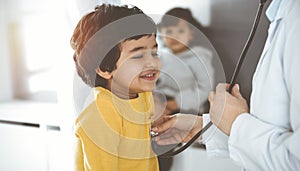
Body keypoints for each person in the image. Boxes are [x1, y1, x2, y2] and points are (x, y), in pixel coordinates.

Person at [152, 0, 300, 170]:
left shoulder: (294, 19)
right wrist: (202, 128)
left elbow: (294, 160)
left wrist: (236, 123)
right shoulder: (282, 16)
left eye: (180, 31)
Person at [70, 4, 161, 170]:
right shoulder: (100, 115)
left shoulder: (142, 94)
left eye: (154, 53)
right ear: (106, 68)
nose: (152, 62)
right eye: (139, 55)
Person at [155, 7, 225, 115]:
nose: (174, 36)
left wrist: (176, 103)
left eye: (181, 31)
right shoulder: (161, 56)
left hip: (187, 107)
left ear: (191, 34)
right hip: (160, 100)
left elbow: (205, 88)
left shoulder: (198, 57)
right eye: (169, 31)